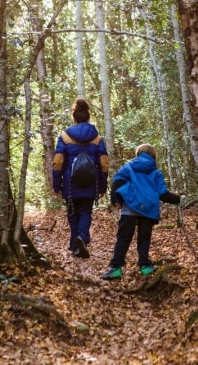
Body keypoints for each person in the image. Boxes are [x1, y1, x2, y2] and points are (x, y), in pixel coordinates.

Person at [101, 143, 180, 280]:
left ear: (138, 154)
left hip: (129, 207)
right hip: (147, 209)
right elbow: (163, 194)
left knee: (123, 238)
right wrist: (177, 199)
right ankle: (145, 266)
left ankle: (116, 269)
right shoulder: (156, 173)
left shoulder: (129, 167)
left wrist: (115, 200)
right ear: (153, 157)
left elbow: (116, 183)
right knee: (144, 238)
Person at [53, 98, 109, 258]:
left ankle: (74, 243)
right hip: (91, 183)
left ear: (74, 117)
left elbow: (58, 162)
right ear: (88, 116)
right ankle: (82, 239)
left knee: (72, 213)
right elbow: (104, 164)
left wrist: (57, 184)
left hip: (70, 184)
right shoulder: (97, 138)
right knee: (85, 212)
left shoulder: (65, 136)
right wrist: (103, 186)